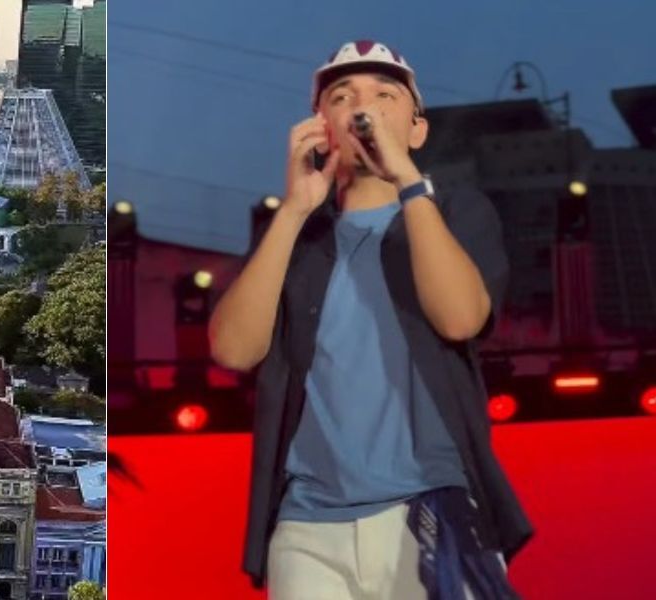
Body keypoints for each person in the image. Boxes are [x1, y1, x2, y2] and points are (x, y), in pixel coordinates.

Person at [208, 40, 533, 599]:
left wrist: (408, 181)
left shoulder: (457, 212)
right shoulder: (297, 239)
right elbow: (234, 350)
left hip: (436, 513)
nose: (364, 108)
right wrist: (292, 210)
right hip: (308, 527)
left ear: (416, 129)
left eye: (385, 95)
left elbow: (461, 318)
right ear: (320, 128)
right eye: (343, 96)